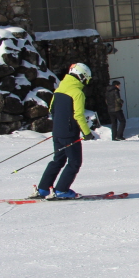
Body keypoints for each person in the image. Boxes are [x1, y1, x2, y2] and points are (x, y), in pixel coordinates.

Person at [34, 63, 96, 199]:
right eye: (86, 79)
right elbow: (78, 115)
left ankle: (43, 189)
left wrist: (60, 125)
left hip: (57, 132)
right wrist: (87, 133)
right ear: (81, 76)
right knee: (74, 162)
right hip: (70, 134)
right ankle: (62, 190)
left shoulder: (59, 89)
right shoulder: (77, 93)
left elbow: (52, 109)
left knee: (58, 160)